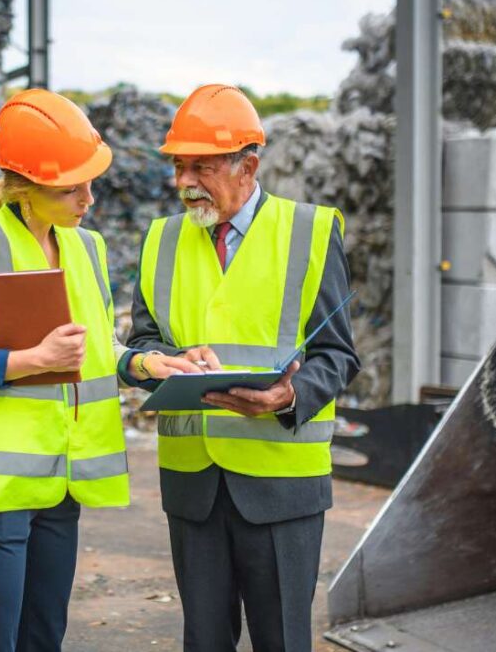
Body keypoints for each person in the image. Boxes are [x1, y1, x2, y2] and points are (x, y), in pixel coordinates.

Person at [0, 89, 194, 652]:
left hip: (59, 479)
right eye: (72, 187)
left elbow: (94, 348)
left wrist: (140, 361)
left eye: (91, 182)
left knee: (43, 636)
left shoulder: (84, 247)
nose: (88, 198)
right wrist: (28, 362)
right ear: (26, 187)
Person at [121, 84, 359, 651]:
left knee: (281, 641)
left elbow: (337, 354)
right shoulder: (161, 238)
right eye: (179, 167)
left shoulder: (309, 232)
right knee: (204, 641)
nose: (184, 183)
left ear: (248, 167)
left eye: (201, 167)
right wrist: (154, 363)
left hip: (282, 487)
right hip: (193, 486)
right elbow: (142, 342)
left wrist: (287, 397)